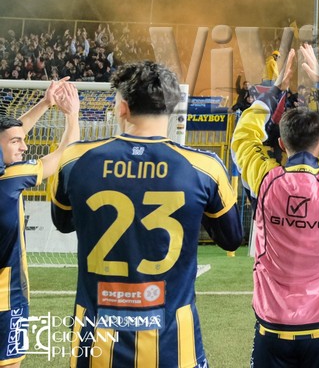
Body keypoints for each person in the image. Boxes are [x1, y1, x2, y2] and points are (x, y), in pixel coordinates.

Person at [50, 61, 242, 367]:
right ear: (172, 108)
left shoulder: (76, 160)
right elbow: (231, 239)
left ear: (123, 108)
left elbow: (62, 222)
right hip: (174, 346)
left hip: (95, 344)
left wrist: (72, 119)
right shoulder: (204, 168)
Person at [231, 45, 319, 367]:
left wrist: (276, 89)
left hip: (272, 324)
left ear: (281, 143)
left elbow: (243, 136)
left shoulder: (264, 180)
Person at [0, 80, 80, 367]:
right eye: (16, 142)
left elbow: (12, 133)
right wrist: (72, 115)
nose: (24, 146)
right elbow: (65, 154)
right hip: (6, 296)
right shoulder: (11, 178)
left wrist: (46, 103)